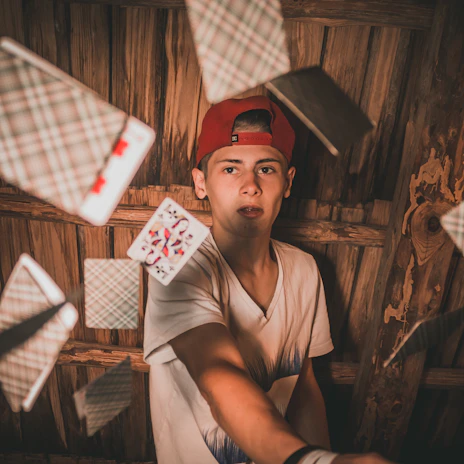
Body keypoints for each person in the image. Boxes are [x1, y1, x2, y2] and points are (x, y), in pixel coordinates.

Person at [144, 96, 393, 464]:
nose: (250, 185)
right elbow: (218, 373)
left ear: (288, 181)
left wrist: (321, 455)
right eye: (231, 169)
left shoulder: (306, 268)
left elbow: (304, 388)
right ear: (200, 182)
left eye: (266, 169)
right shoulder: (169, 249)